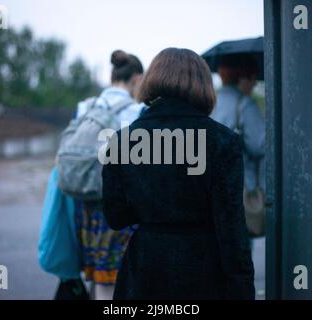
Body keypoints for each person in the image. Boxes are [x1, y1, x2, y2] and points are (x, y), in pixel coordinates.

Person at [102, 48, 255, 299]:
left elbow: (116, 216)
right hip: (204, 272)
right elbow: (232, 229)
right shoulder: (223, 141)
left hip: (144, 272)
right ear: (203, 84)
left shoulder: (121, 141)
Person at [77, 50, 144, 300]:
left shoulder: (86, 106)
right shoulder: (136, 113)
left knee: (97, 272)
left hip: (86, 202)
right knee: (116, 275)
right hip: (118, 205)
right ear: (137, 79)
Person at [210, 54, 265, 194]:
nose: (254, 85)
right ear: (245, 77)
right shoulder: (245, 106)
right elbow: (260, 146)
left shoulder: (209, 102)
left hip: (211, 185)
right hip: (241, 188)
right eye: (254, 79)